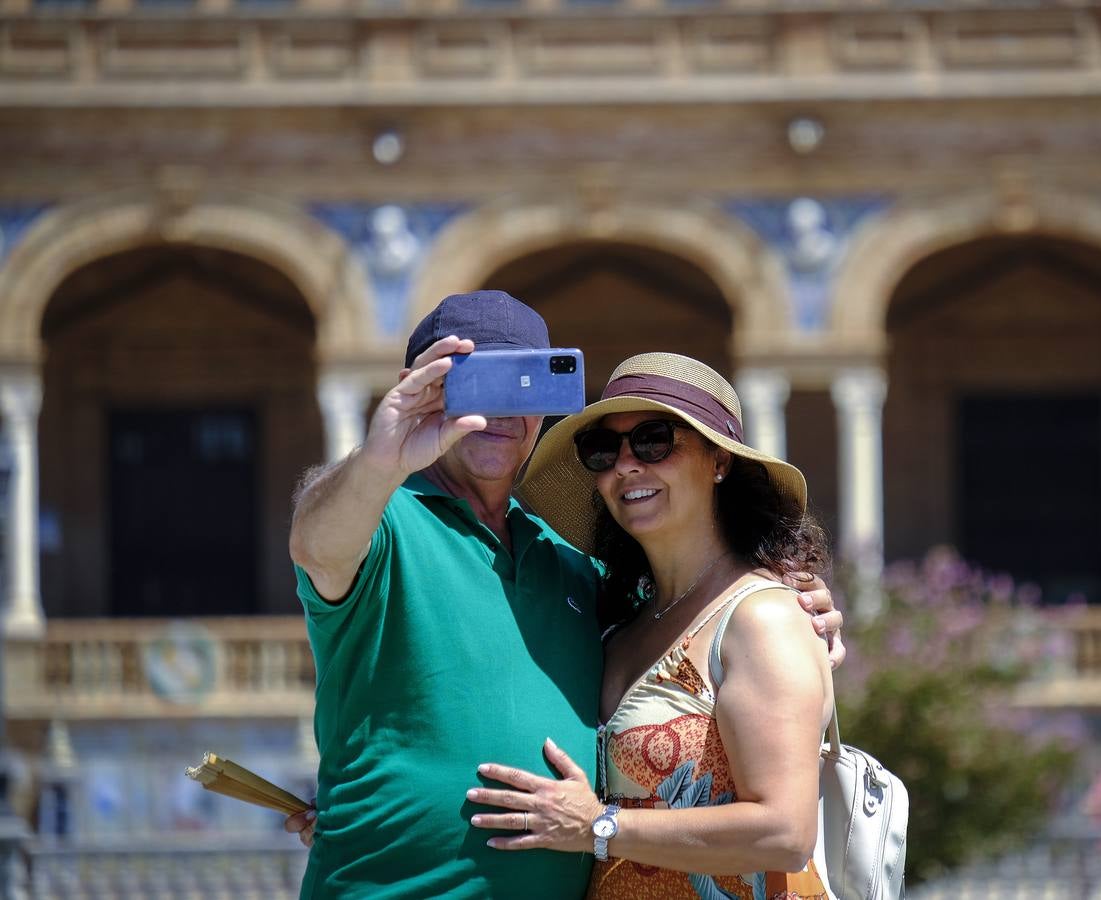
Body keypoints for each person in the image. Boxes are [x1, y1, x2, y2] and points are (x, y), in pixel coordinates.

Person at [285, 291, 842, 898]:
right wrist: (380, 456)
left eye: (519, 383)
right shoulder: (381, 523)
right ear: (415, 391)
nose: (497, 407)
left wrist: (795, 610)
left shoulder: (571, 567)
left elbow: (705, 628)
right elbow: (317, 544)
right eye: (471, 384)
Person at [467, 352, 834, 899]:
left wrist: (598, 827)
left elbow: (784, 833)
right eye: (603, 450)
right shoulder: (619, 626)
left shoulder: (762, 617)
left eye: (654, 440)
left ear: (718, 460)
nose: (626, 465)